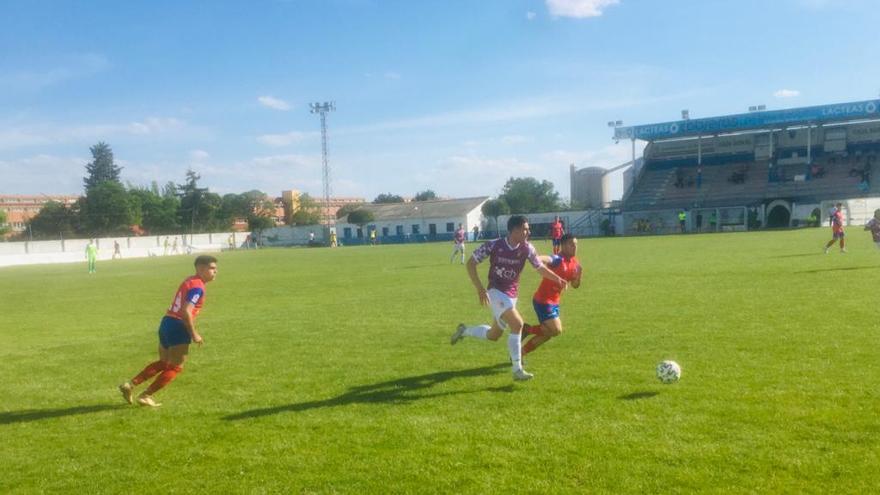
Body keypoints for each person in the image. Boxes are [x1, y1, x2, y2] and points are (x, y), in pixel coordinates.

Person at [450, 215, 567, 381]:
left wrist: (557, 278)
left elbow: (539, 267)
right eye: (525, 229)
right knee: (517, 323)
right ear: (515, 230)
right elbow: (470, 263)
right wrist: (480, 288)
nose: (528, 232)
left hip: (511, 296)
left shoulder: (527, 248)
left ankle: (464, 330)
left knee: (493, 335)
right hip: (495, 291)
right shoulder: (494, 245)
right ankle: (517, 369)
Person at [119, 255, 218, 407]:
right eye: (212, 268)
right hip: (178, 326)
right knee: (176, 366)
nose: (215, 272)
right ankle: (146, 395)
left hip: (167, 322)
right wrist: (194, 334)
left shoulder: (189, 280)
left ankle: (130, 385)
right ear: (201, 268)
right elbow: (186, 311)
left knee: (164, 362)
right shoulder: (198, 287)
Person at [519, 234, 583, 359]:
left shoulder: (574, 263)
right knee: (556, 330)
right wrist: (537, 258)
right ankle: (527, 329)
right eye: (571, 244)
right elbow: (548, 259)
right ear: (563, 246)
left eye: (576, 244)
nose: (575, 247)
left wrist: (579, 275)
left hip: (554, 303)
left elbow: (575, 285)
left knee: (547, 334)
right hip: (543, 301)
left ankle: (520, 353)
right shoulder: (558, 259)